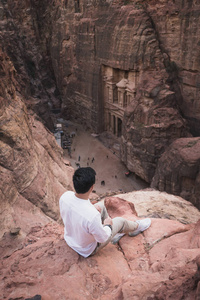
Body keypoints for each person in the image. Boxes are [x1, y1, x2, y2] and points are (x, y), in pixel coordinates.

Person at [59, 167, 151, 258]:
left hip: (71, 239)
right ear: (92, 187)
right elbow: (102, 238)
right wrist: (108, 225)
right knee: (120, 221)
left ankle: (113, 231)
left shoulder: (65, 197)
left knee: (101, 206)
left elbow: (79, 209)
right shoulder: (92, 215)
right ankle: (137, 227)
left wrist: (92, 208)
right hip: (87, 249)